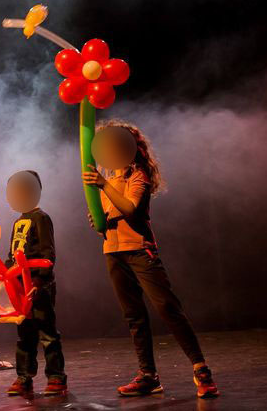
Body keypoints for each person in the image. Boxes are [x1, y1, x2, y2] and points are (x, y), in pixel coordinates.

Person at [82, 120, 219, 399]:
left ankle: (201, 369)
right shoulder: (109, 178)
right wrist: (98, 221)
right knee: (134, 316)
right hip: (113, 252)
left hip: (139, 251)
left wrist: (104, 185)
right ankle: (148, 376)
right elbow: (111, 220)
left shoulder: (138, 176)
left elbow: (131, 210)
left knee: (167, 308)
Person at [3, 170, 67, 397]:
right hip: (20, 289)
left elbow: (48, 253)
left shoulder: (41, 218)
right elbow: (13, 253)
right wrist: (7, 273)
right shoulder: (18, 221)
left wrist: (38, 281)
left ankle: (56, 376)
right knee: (25, 334)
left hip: (39, 286)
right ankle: (24, 377)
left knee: (47, 332)